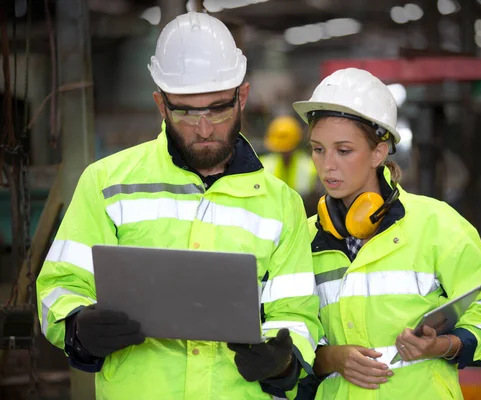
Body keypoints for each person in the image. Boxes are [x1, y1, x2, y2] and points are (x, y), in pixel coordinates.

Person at [36, 12, 320, 400]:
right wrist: (77, 327)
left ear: (243, 97)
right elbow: (61, 285)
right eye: (186, 111)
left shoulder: (281, 204)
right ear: (161, 104)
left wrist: (282, 364)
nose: (204, 128)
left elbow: (297, 313)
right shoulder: (107, 183)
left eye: (218, 109)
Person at [292, 67, 481, 399]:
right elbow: (287, 334)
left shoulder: (437, 225)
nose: (327, 165)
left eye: (344, 150)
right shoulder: (302, 240)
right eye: (318, 149)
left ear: (379, 152)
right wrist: (330, 357)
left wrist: (442, 345)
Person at [260, 115, 320, 215]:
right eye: (280, 148)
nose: (283, 152)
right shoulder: (262, 165)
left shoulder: (310, 167)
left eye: (286, 149)